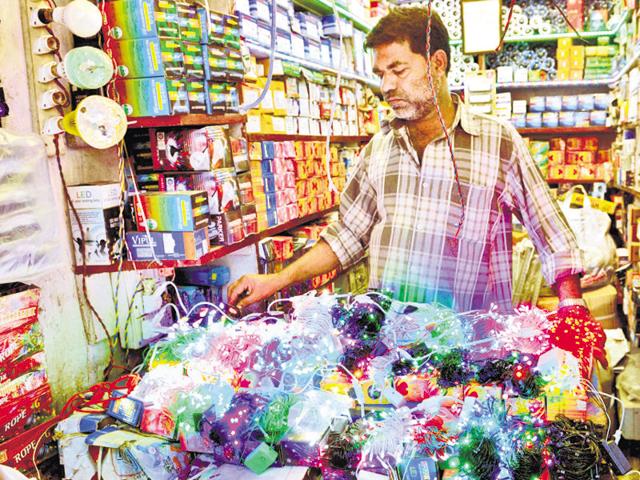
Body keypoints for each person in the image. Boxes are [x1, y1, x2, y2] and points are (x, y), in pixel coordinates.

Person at [228, 7, 587, 325]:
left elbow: (552, 234)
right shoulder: (378, 151)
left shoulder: (497, 142)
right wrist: (275, 280)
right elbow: (345, 237)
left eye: (398, 70)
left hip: (472, 352)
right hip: (389, 350)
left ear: (437, 64)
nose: (386, 85)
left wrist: (572, 308)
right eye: (381, 73)